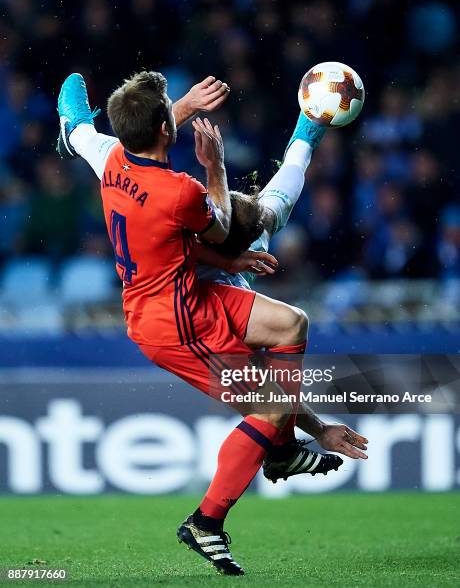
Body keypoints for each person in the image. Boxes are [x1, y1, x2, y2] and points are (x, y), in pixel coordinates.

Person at [57, 71, 367, 576]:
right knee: (269, 407)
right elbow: (234, 215)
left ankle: (282, 449)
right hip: (175, 324)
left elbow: (79, 128)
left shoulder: (113, 158)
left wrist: (162, 109)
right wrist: (223, 163)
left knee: (292, 324)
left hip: (195, 292)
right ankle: (206, 521)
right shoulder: (200, 203)